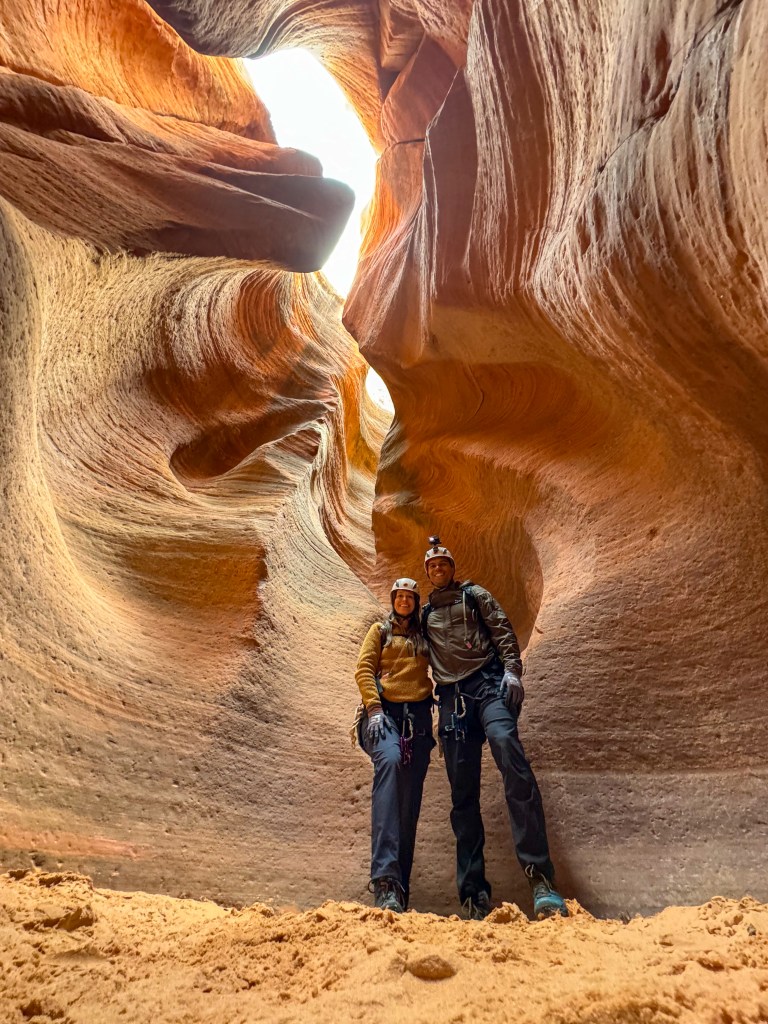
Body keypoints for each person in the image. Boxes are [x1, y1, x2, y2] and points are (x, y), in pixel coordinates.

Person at [421, 537, 568, 921]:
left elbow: (502, 629)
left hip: (488, 687)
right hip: (453, 701)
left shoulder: (474, 595)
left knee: (510, 755)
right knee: (462, 796)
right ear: (427, 574)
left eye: (443, 563)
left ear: (452, 567)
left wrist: (513, 672)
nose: (438, 569)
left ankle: (542, 880)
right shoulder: (423, 615)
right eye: (431, 566)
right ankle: (473, 895)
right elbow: (405, 655)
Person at [354, 578, 434, 913]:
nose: (403, 601)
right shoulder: (379, 631)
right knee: (388, 762)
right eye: (399, 596)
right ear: (392, 600)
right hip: (382, 718)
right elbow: (363, 669)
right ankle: (384, 880)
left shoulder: (424, 636)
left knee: (410, 799)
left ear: (416, 602)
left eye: (409, 597)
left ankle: (400, 888)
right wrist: (373, 709)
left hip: (416, 722)